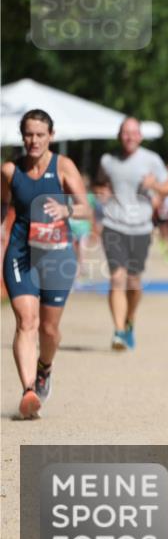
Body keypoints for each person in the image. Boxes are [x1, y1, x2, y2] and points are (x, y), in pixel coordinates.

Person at [2, 109, 92, 418]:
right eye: (28, 134)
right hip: (20, 253)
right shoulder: (10, 171)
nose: (34, 140)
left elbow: (86, 208)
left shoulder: (63, 166)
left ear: (51, 136)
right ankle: (29, 391)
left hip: (56, 255)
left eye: (40, 134)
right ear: (22, 136)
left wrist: (67, 210)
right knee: (26, 322)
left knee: (49, 330)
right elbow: (3, 202)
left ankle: (45, 367)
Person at [97, 117, 168, 350]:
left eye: (133, 133)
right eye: (125, 132)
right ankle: (119, 331)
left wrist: (154, 185)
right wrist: (101, 191)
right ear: (119, 135)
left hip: (140, 227)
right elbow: (99, 183)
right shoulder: (108, 160)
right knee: (117, 278)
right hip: (114, 224)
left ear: (140, 136)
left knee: (133, 282)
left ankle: (130, 318)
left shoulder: (152, 160)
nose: (129, 137)